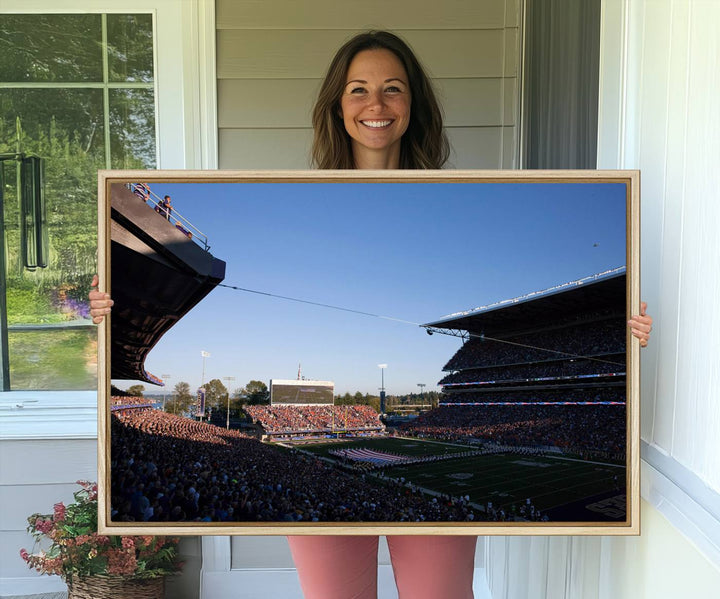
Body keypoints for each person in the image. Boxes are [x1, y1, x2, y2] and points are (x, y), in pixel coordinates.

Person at [90, 30, 653, 599]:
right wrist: (102, 307)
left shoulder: (460, 192)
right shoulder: (300, 192)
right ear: (338, 104)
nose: (376, 104)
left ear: (414, 105)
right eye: (358, 89)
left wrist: (625, 332)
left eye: (393, 89)